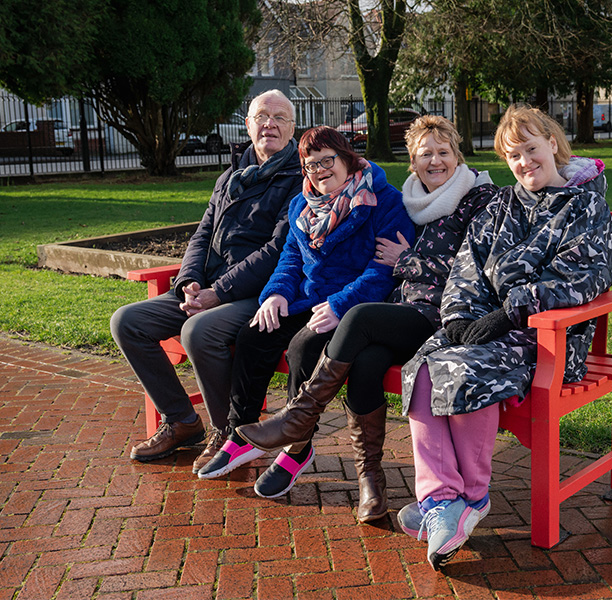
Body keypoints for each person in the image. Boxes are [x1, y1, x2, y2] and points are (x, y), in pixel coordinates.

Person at [228, 115, 497, 521]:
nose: (435, 161)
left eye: (444, 152)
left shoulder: (479, 199)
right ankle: (371, 481)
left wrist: (406, 261)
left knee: (355, 318)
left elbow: (474, 270)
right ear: (413, 162)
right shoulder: (411, 198)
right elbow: (293, 259)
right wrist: (278, 294)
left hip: (443, 316)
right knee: (366, 362)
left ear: (458, 155)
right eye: (426, 154)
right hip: (400, 308)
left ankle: (297, 420)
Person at [397, 104, 612, 571]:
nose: (523, 162)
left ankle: (471, 498)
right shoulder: (500, 205)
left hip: (549, 338)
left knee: (461, 370)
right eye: (513, 155)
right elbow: (466, 266)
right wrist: (457, 315)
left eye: (530, 149)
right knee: (422, 366)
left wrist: (509, 314)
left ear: (552, 145)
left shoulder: (585, 205)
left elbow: (584, 278)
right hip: (485, 325)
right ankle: (443, 500)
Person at [196, 125, 415, 500]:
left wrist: (339, 304)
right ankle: (241, 432)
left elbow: (382, 272)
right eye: (311, 165)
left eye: (328, 160)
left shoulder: (382, 199)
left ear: (347, 159)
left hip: (356, 308)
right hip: (307, 301)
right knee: (254, 334)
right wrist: (276, 295)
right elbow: (290, 259)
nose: (321, 171)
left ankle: (296, 447)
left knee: (302, 348)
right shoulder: (302, 204)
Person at [111, 90, 303, 471]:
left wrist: (219, 292)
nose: (270, 124)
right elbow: (201, 235)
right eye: (262, 116)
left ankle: (225, 431)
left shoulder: (298, 177)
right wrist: (189, 282)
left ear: (293, 128)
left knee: (198, 331)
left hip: (259, 293)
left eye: (280, 117)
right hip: (209, 287)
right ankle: (182, 421)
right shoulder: (231, 176)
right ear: (247, 125)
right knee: (127, 321)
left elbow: (278, 251)